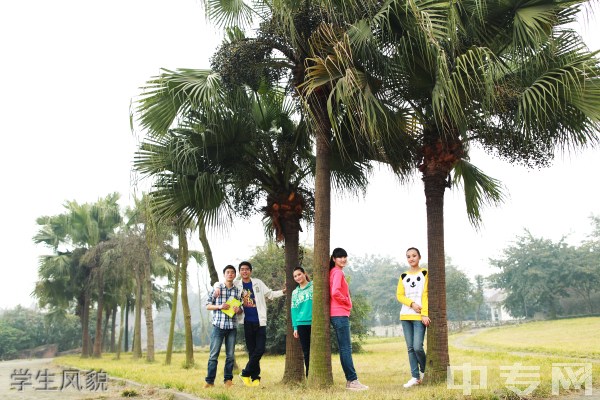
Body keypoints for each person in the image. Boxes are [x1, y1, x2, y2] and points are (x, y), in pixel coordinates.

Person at [213, 260, 285, 387]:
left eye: (247, 269)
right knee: (252, 351)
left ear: (250, 271)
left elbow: (270, 294)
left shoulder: (258, 283)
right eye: (242, 269)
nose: (244, 271)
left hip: (260, 321)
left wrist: (283, 292)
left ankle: (245, 373)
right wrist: (217, 287)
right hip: (246, 322)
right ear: (239, 272)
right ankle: (255, 378)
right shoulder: (236, 284)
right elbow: (220, 283)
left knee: (260, 349)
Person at [329, 247, 369, 391]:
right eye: (339, 257)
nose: (343, 259)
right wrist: (347, 301)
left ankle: (350, 380)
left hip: (336, 314)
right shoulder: (338, 272)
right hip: (339, 313)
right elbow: (335, 292)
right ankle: (352, 381)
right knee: (346, 348)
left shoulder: (333, 272)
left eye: (345, 256)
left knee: (344, 348)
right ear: (334, 259)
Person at [204, 265, 243, 388]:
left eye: (232, 272)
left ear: (235, 275)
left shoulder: (237, 291)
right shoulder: (218, 288)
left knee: (230, 356)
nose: (230, 274)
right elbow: (208, 305)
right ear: (224, 274)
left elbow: (241, 308)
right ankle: (210, 381)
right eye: (228, 272)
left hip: (232, 327)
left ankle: (228, 380)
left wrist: (239, 310)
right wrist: (219, 306)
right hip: (218, 326)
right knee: (213, 355)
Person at [396, 247, 430, 388]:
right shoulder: (403, 275)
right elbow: (399, 295)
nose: (411, 258)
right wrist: (411, 304)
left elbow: (425, 294)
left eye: (414, 255)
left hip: (419, 317)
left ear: (419, 257)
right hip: (405, 316)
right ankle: (415, 377)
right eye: (408, 256)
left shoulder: (425, 273)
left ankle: (425, 370)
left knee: (417, 347)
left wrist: (424, 313)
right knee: (410, 348)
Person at [291, 266, 312, 377]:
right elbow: (294, 310)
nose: (298, 277)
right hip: (301, 325)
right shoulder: (295, 293)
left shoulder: (314, 287)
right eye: (295, 276)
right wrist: (295, 327)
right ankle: (309, 376)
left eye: (299, 274)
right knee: (306, 351)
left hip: (314, 323)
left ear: (304, 273)